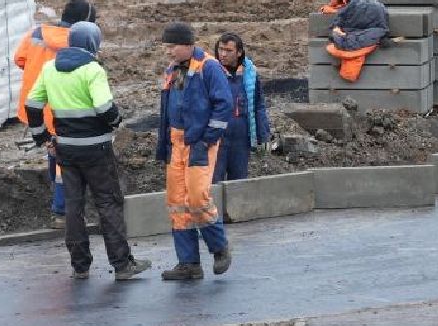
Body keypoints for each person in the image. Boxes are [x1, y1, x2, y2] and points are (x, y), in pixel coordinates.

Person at [25, 21, 151, 281]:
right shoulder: (93, 70)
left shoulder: (50, 68)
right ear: (93, 44)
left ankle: (80, 266)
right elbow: (105, 107)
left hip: (66, 150)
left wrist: (43, 138)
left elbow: (32, 103)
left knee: (73, 206)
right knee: (108, 204)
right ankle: (122, 265)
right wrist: (116, 121)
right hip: (97, 150)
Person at [155, 22, 233, 280]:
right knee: (177, 203)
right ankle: (188, 263)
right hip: (176, 144)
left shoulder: (208, 68)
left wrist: (207, 138)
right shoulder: (174, 70)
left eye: (172, 46)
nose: (168, 51)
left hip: (198, 144)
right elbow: (169, 109)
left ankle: (219, 247)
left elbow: (224, 106)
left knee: (198, 198)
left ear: (187, 45)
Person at [15, 0, 96, 226]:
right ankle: (61, 212)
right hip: (62, 107)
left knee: (54, 150)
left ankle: (61, 204)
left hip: (34, 106)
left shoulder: (37, 33)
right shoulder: (79, 41)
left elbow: (19, 60)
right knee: (65, 161)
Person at [212, 33, 272, 182]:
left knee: (238, 183)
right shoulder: (211, 71)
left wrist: (263, 134)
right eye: (221, 49)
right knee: (213, 182)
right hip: (218, 136)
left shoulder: (249, 73)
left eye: (228, 50)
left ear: (239, 52)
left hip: (241, 137)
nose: (223, 54)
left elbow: (258, 104)